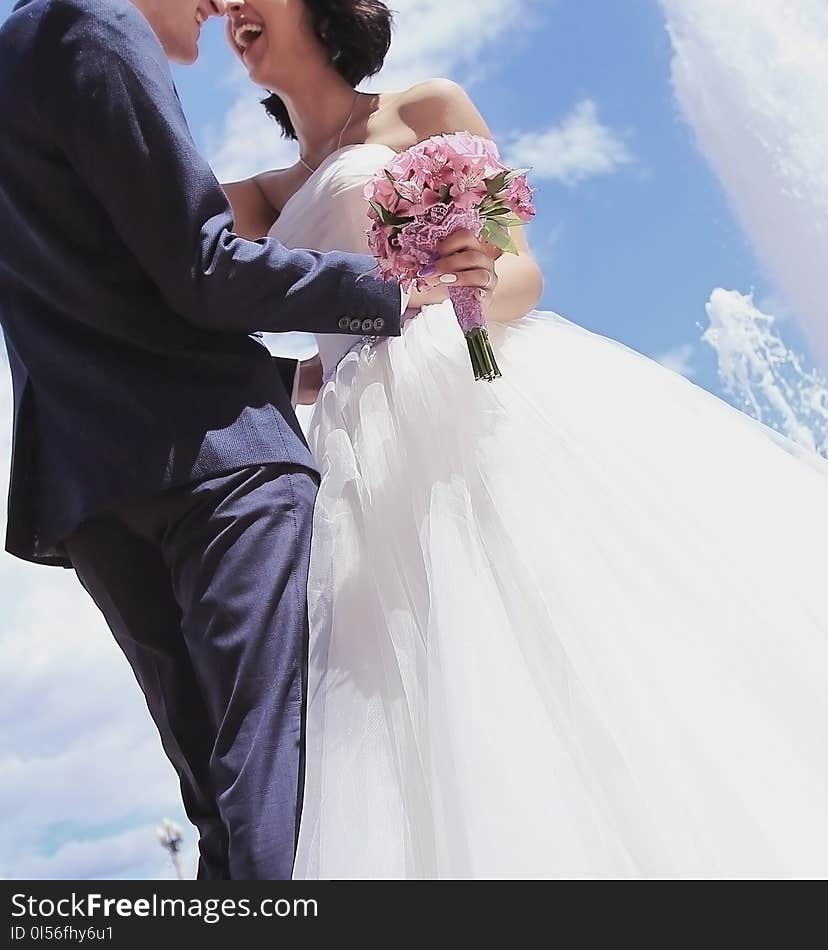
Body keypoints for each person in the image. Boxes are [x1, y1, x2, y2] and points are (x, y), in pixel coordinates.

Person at [224, 0, 828, 880]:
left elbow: (522, 274)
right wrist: (306, 380)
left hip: (464, 391)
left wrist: (451, 294)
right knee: (410, 694)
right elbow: (157, 229)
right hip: (355, 459)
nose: (230, 8)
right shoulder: (262, 196)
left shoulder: (423, 110)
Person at [0, 0, 496, 880]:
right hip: (219, 467)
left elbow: (114, 281)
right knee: (275, 776)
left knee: (220, 807)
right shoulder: (95, 25)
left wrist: (295, 376)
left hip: (90, 487)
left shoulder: (18, 53)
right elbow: (199, 269)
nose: (220, 5)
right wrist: (392, 294)